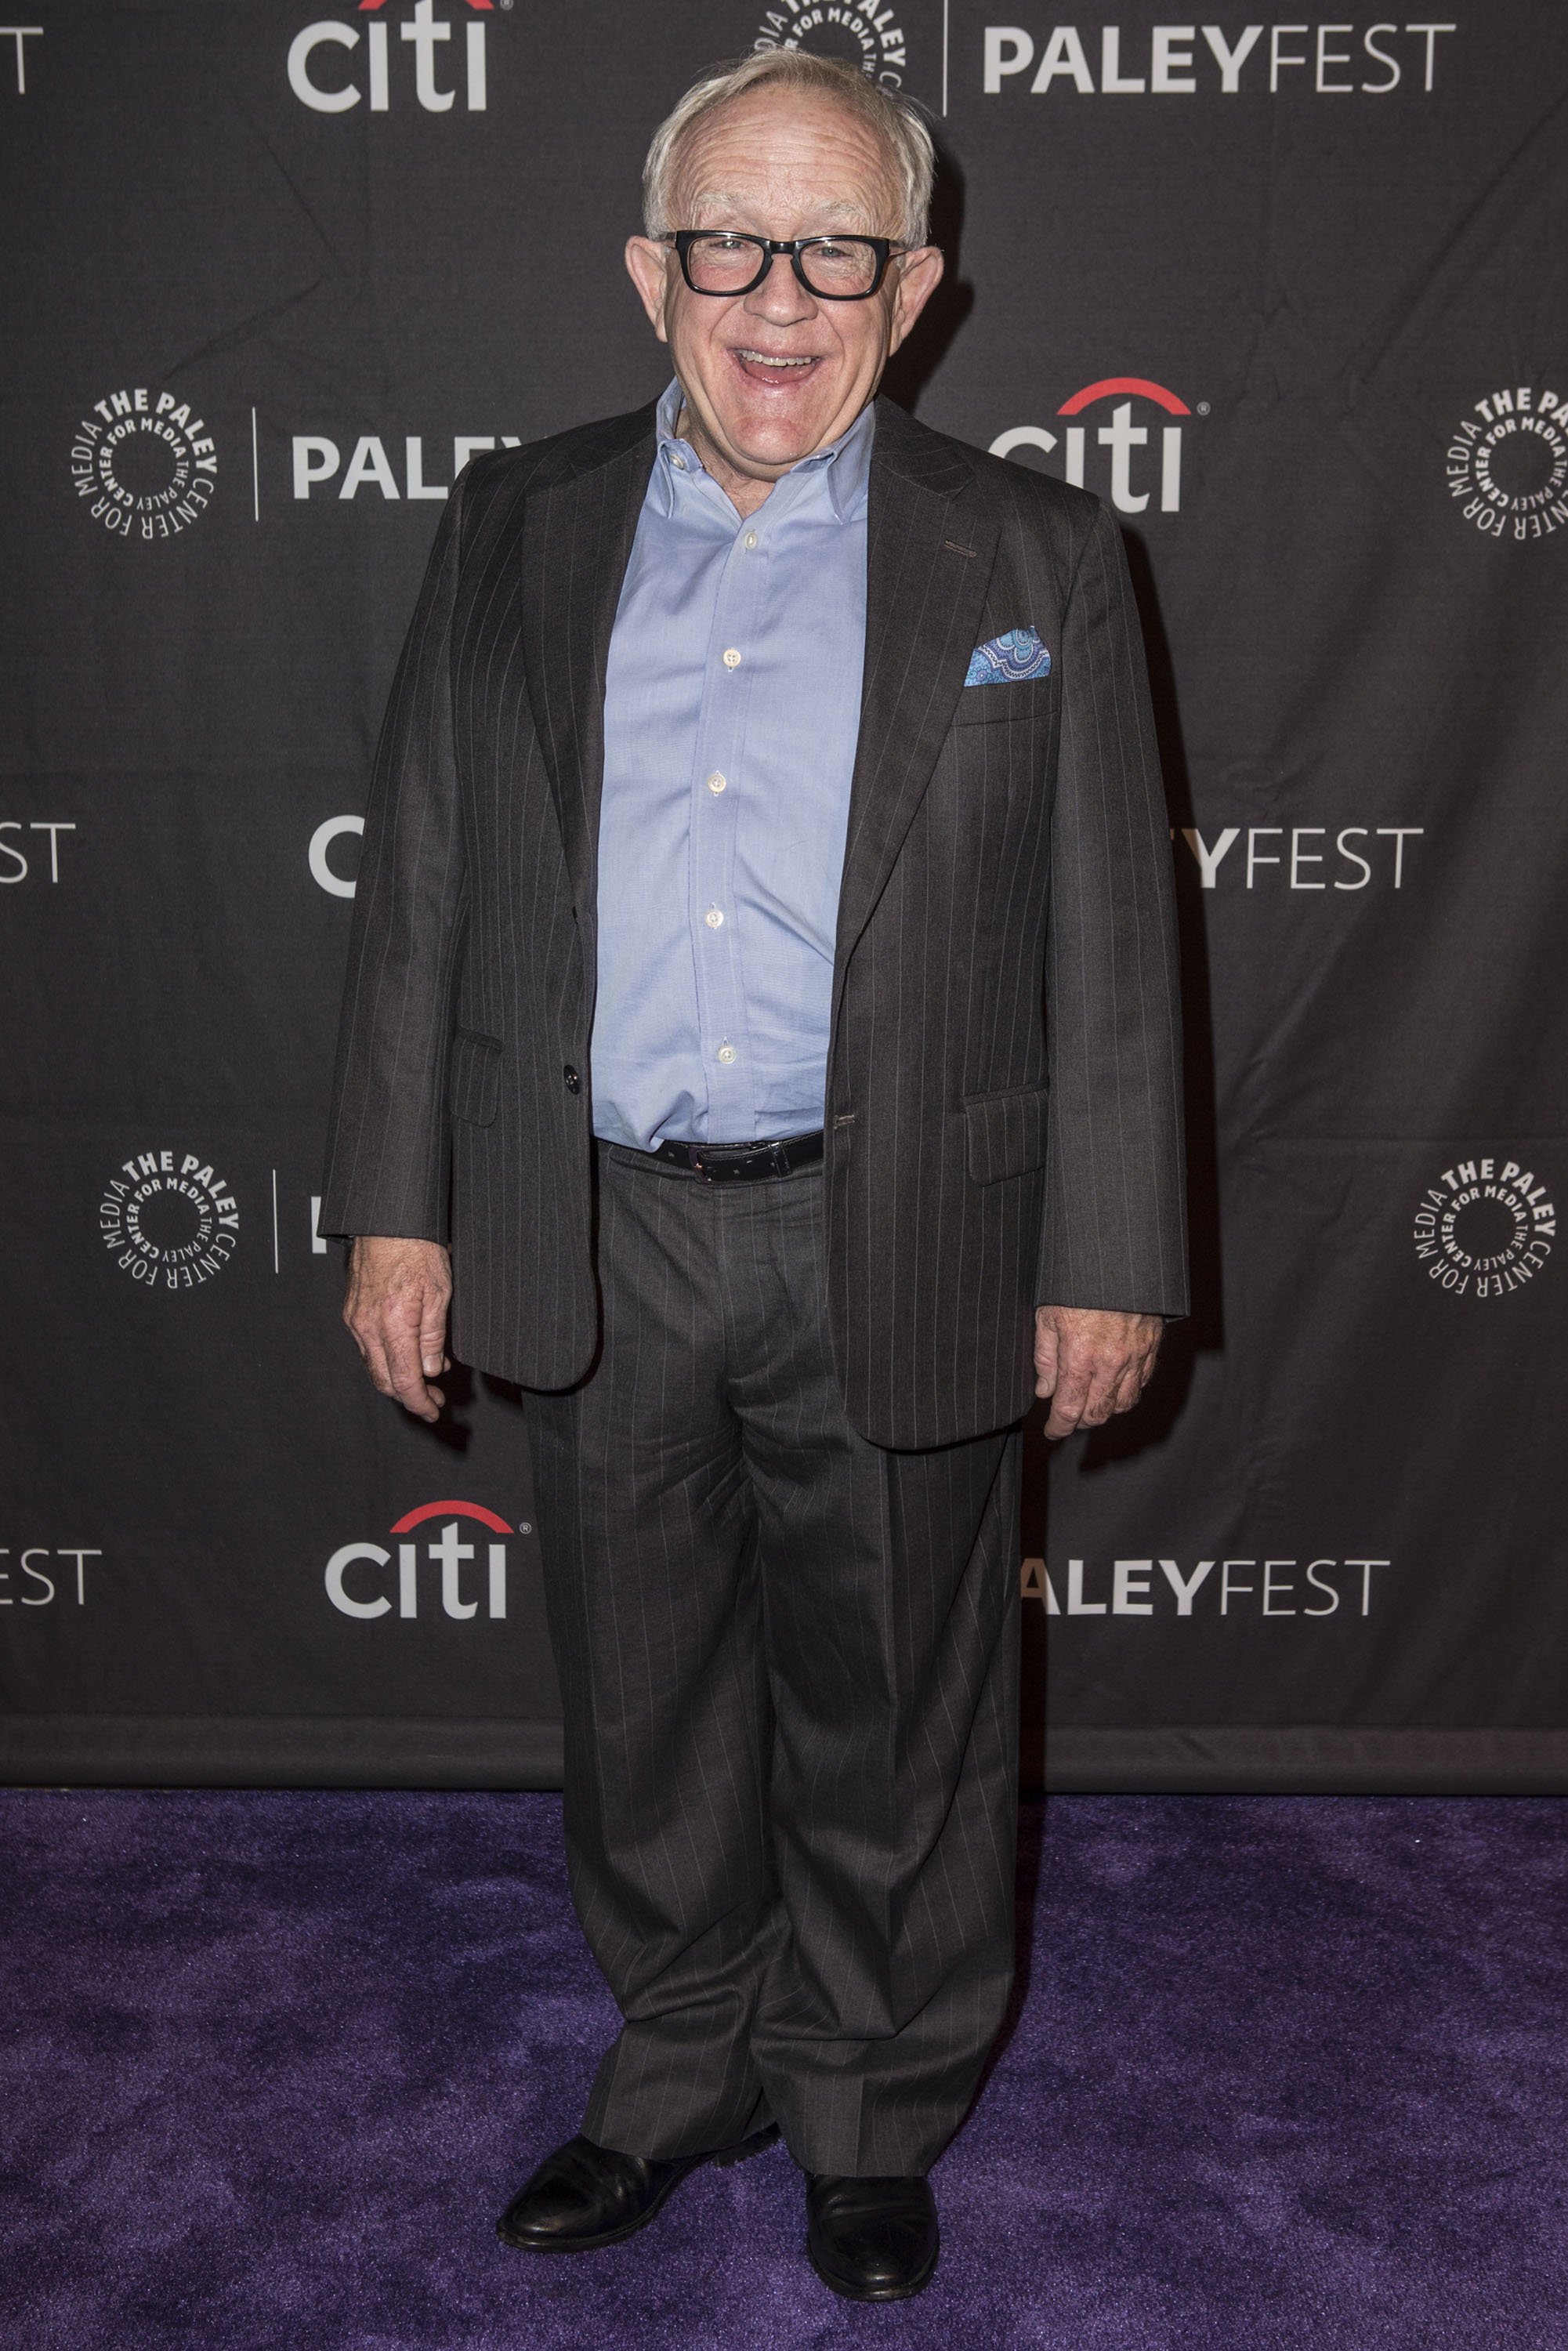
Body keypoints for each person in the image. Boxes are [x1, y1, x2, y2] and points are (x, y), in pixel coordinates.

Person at [320, 48, 1186, 2303]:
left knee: (897, 1707)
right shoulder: (514, 520)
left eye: (834, 251)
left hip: (895, 1221)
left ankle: (870, 2099)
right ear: (649, 267)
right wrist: (396, 1204)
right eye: (728, 242)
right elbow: (422, 882)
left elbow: (1113, 944)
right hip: (589, 1218)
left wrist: (1105, 1248)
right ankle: (679, 2064)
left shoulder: (1037, 552)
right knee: (645, 1704)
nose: (775, 299)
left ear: (914, 287)